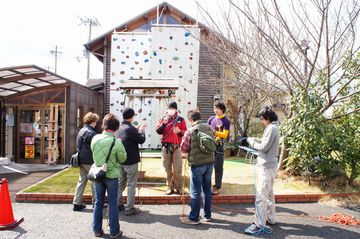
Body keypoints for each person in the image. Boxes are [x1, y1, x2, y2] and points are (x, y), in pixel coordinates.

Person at [244, 107, 280, 235]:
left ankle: (259, 224)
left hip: (266, 167)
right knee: (269, 194)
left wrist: (251, 142)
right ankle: (271, 218)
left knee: (261, 196)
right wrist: (255, 139)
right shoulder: (274, 127)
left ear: (267, 118)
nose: (262, 121)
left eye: (262, 119)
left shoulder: (271, 128)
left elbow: (264, 147)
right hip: (271, 166)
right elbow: (266, 142)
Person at [91, 113, 127, 238]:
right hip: (111, 176)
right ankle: (114, 232)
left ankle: (97, 230)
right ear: (116, 128)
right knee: (112, 204)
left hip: (98, 174)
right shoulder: (116, 142)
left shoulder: (95, 139)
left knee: (98, 203)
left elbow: (94, 155)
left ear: (104, 125)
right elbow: (122, 159)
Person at [180, 110, 215, 225]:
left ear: (190, 120)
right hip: (210, 163)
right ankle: (207, 216)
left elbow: (183, 149)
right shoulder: (209, 127)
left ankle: (194, 218)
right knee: (207, 190)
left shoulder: (190, 131)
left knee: (195, 192)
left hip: (197, 165)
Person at [116, 107, 146, 216]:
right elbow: (141, 139)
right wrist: (141, 130)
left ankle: (118, 204)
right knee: (131, 184)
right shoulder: (130, 128)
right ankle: (129, 208)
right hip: (131, 161)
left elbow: (130, 135)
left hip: (120, 160)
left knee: (120, 183)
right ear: (132, 117)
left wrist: (136, 129)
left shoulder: (119, 128)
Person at [156, 101, 187, 195]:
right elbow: (158, 131)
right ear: (167, 109)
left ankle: (179, 187)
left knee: (178, 168)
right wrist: (164, 124)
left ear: (176, 110)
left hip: (177, 146)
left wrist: (179, 131)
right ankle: (170, 187)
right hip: (166, 146)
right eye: (170, 109)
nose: (171, 110)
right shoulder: (163, 118)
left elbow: (185, 132)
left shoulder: (181, 119)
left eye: (173, 109)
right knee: (167, 168)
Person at [72, 112, 99, 211]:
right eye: (96, 121)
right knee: (95, 181)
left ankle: (77, 203)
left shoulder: (82, 130)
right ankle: (96, 202)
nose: (96, 123)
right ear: (93, 121)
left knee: (81, 181)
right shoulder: (91, 133)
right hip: (89, 160)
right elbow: (95, 147)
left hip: (81, 159)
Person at [207, 101, 230, 195]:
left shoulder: (226, 121)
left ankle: (217, 186)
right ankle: (207, 184)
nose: (216, 110)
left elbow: (224, 135)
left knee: (218, 167)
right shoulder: (211, 119)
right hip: (209, 145)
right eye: (215, 108)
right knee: (207, 167)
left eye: (218, 108)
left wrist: (214, 132)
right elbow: (206, 130)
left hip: (219, 147)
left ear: (222, 109)